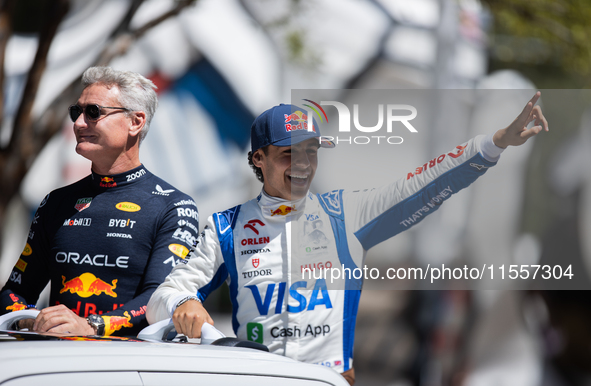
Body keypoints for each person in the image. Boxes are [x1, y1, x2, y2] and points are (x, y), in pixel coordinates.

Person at [147, 95, 548, 384]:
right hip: (257, 379)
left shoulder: (345, 215)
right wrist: (183, 303)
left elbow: (424, 185)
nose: (303, 165)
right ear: (258, 159)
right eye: (288, 154)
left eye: (311, 152)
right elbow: (164, 295)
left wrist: (493, 144)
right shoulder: (225, 227)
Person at [0, 66, 199, 337]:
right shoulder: (56, 202)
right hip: (51, 361)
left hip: (130, 368)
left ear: (135, 122)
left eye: (93, 112)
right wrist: (29, 321)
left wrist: (91, 327)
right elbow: (15, 292)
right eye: (76, 112)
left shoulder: (174, 207)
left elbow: (160, 298)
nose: (79, 123)